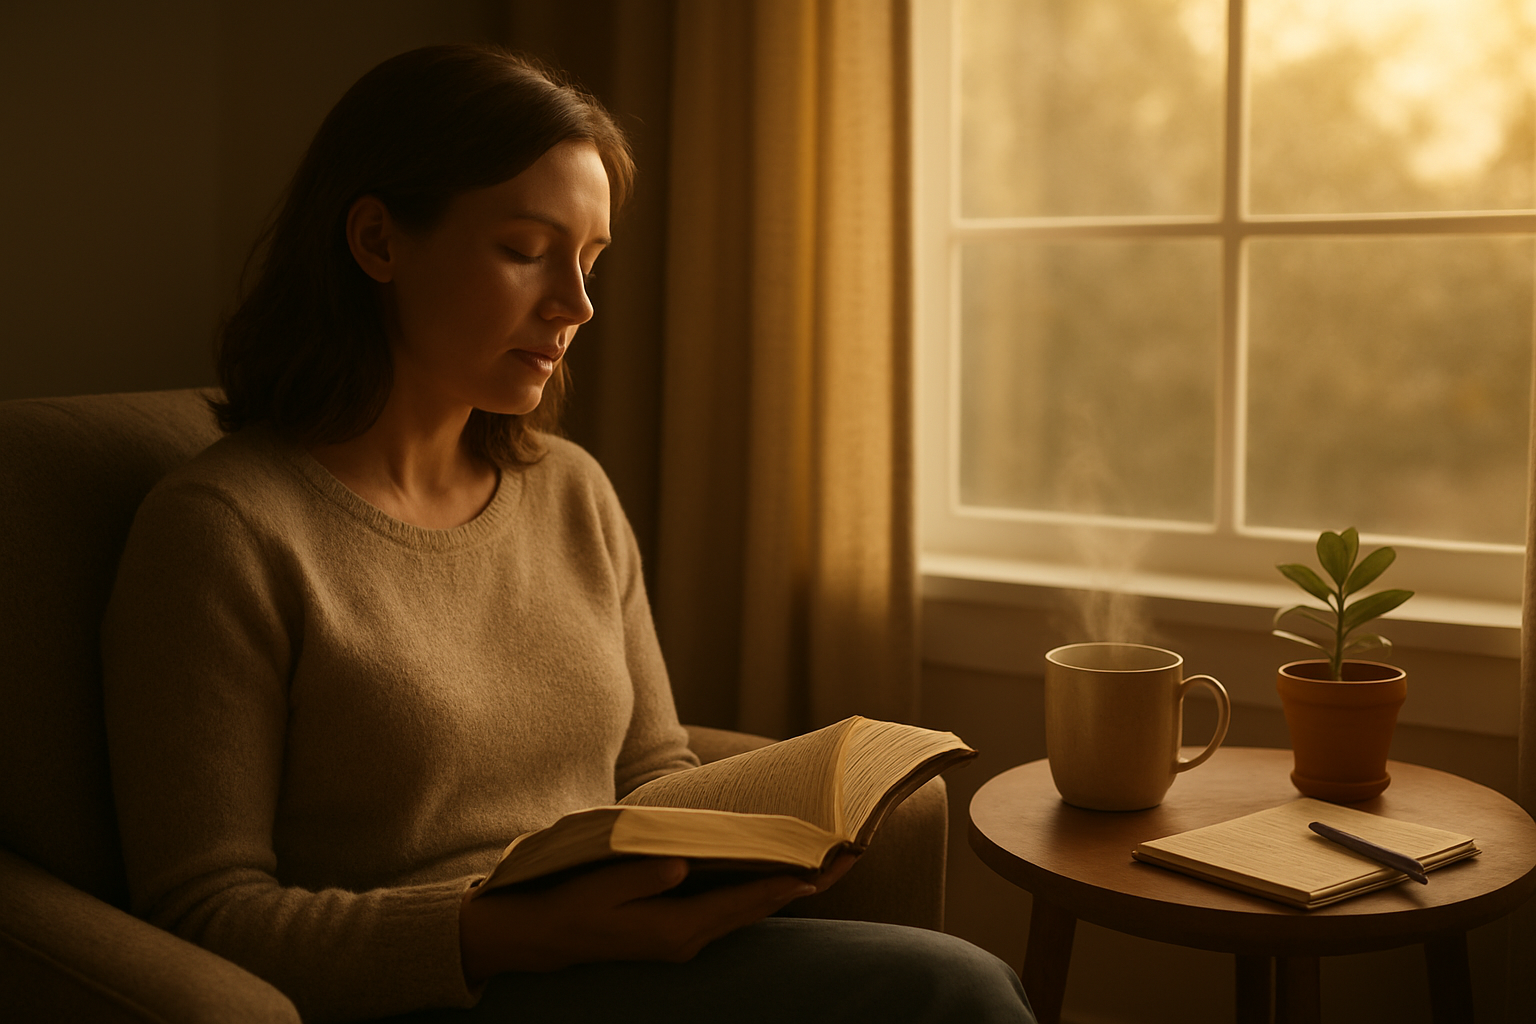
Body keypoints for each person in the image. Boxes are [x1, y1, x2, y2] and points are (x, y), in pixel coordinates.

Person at [101, 44, 1034, 1024]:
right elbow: (207, 917)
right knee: (950, 992)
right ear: (377, 240)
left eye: (590, 262)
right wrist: (511, 931)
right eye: (525, 251)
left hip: (625, 965)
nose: (576, 307)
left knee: (952, 980)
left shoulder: (571, 492)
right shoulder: (223, 534)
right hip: (442, 992)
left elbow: (651, 771)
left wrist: (749, 841)